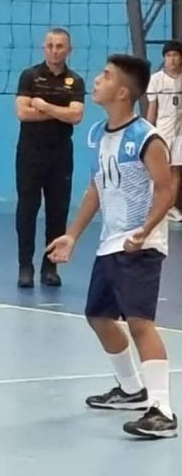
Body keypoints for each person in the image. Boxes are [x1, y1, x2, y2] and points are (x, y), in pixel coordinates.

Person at [47, 54, 177, 440]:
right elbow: (96, 189)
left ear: (122, 92)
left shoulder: (147, 137)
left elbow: (167, 189)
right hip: (110, 243)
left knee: (139, 322)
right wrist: (73, 235)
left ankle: (162, 411)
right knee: (99, 316)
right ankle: (131, 389)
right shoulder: (99, 135)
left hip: (141, 244)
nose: (96, 80)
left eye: (104, 76)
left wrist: (145, 230)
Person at [14, 28, 86, 288]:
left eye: (60, 46)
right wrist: (60, 112)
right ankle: (25, 266)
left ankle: (50, 267)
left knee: (57, 212)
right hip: (30, 154)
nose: (55, 50)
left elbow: (77, 116)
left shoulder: (75, 81)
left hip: (60, 155)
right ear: (44, 48)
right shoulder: (30, 76)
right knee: (27, 210)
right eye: (51, 46)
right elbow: (22, 113)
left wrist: (43, 106)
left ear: (69, 50)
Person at [146, 41, 182, 223]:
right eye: (168, 56)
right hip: (163, 130)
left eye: (175, 55)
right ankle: (155, 205)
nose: (172, 59)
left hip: (181, 133)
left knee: (176, 170)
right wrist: (148, 132)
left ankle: (170, 207)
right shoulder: (156, 79)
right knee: (160, 169)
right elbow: (152, 107)